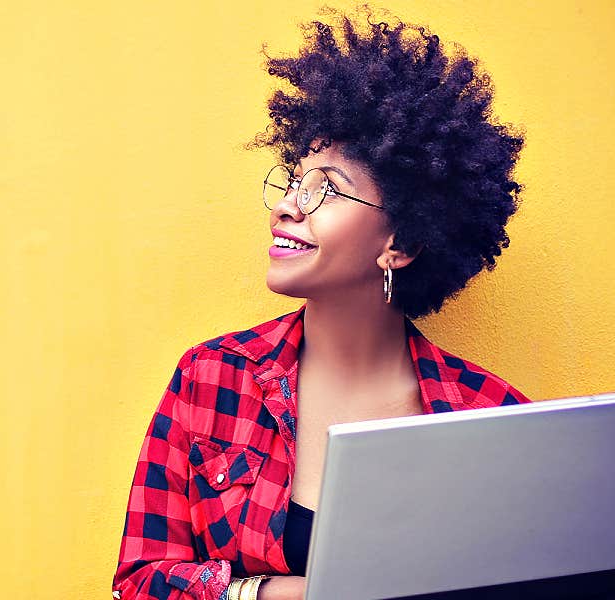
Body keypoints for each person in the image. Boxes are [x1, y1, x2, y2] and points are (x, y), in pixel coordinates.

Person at [113, 7, 529, 600]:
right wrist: (275, 594)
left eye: (326, 189)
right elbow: (136, 585)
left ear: (402, 244)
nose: (286, 206)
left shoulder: (493, 419)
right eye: (292, 181)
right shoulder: (210, 380)